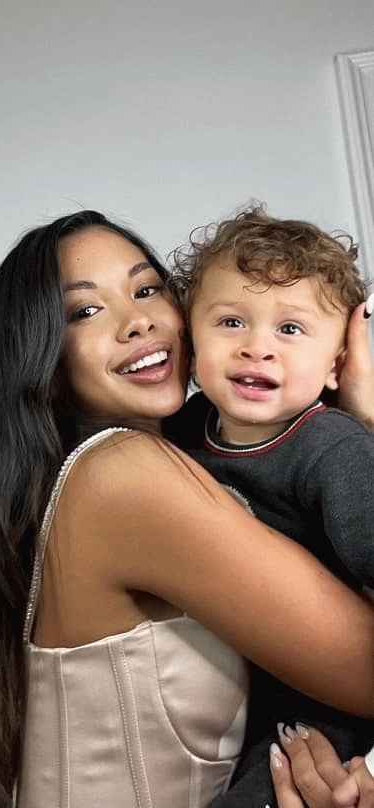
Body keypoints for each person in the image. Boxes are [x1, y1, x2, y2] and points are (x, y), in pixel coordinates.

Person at [0, 210, 374, 808]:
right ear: (43, 359)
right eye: (85, 311)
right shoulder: (124, 476)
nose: (137, 321)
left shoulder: (146, 461)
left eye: (145, 290)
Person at [168, 207, 374, 808]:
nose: (256, 347)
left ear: (337, 364)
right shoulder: (180, 432)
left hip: (321, 712)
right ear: (191, 344)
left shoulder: (331, 448)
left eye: (290, 329)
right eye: (231, 321)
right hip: (227, 694)